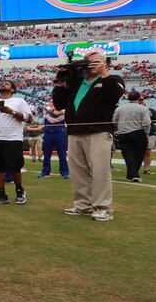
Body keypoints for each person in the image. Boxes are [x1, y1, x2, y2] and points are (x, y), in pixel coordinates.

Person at [53, 50, 125, 221]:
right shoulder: (77, 83)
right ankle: (83, 205)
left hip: (98, 132)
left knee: (100, 171)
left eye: (96, 61)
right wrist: (61, 82)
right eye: (88, 62)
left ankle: (102, 206)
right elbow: (59, 104)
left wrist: (104, 73)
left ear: (105, 63)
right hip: (74, 132)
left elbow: (114, 95)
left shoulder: (113, 79)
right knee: (78, 172)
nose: (91, 64)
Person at [112, 91, 150, 182]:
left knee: (128, 156)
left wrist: (121, 128)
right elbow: (147, 123)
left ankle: (132, 175)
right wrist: (146, 133)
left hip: (124, 134)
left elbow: (114, 121)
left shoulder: (120, 109)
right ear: (138, 98)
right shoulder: (143, 108)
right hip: (139, 133)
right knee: (139, 155)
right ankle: (134, 175)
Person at [38, 99, 69, 179]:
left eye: (53, 101)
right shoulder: (47, 108)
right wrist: (57, 110)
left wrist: (55, 110)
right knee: (47, 154)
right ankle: (45, 172)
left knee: (62, 154)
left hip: (60, 132)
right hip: (48, 133)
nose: (52, 103)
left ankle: (64, 172)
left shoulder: (63, 108)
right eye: (51, 101)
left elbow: (57, 113)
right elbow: (54, 114)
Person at [140, 97, 155, 175]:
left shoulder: (151, 110)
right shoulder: (136, 110)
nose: (142, 102)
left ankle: (147, 169)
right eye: (140, 100)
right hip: (138, 132)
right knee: (137, 152)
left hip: (150, 133)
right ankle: (134, 169)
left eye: (142, 100)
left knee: (148, 152)